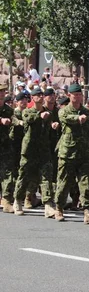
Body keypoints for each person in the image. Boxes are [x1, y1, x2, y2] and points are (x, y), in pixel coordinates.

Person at [54, 84, 89, 223]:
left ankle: (86, 210)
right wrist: (77, 119)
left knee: (86, 182)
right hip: (67, 153)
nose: (78, 97)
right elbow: (65, 118)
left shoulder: (86, 111)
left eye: (80, 94)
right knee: (64, 181)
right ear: (69, 95)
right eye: (75, 95)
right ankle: (59, 208)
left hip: (84, 153)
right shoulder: (64, 111)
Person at [13, 87, 57, 218]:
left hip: (43, 150)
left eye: (41, 95)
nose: (40, 97)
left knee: (46, 177)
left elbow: (50, 130)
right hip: (29, 150)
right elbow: (28, 119)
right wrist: (40, 116)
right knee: (24, 176)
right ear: (33, 98)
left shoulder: (48, 113)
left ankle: (48, 205)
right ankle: (17, 201)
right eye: (37, 95)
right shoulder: (27, 111)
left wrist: (52, 125)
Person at [0, 85, 16, 213]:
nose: (1, 94)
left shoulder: (8, 110)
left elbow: (14, 119)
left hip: (4, 145)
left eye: (3, 91)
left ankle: (6, 199)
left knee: (7, 173)